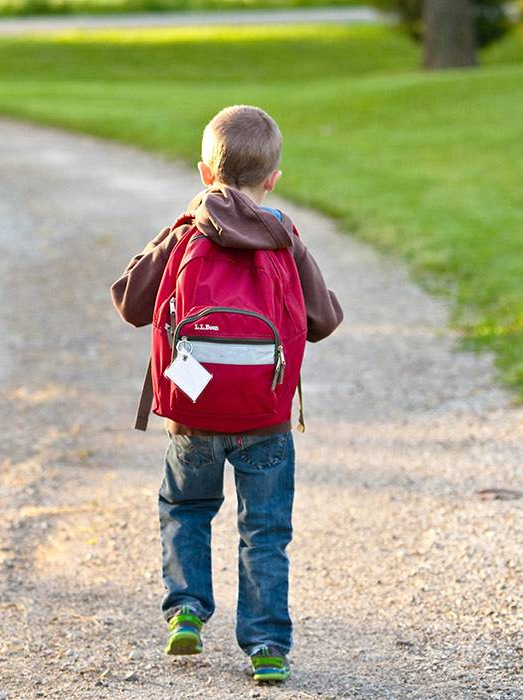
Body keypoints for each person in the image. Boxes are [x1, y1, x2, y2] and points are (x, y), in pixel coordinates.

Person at [110, 104, 343, 683]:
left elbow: (131, 303)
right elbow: (323, 320)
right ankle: (266, 646)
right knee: (264, 531)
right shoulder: (283, 234)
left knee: (186, 509)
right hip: (265, 416)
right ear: (273, 179)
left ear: (204, 174)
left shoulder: (188, 231)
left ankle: (187, 610)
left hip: (194, 414)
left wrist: (175, 228)